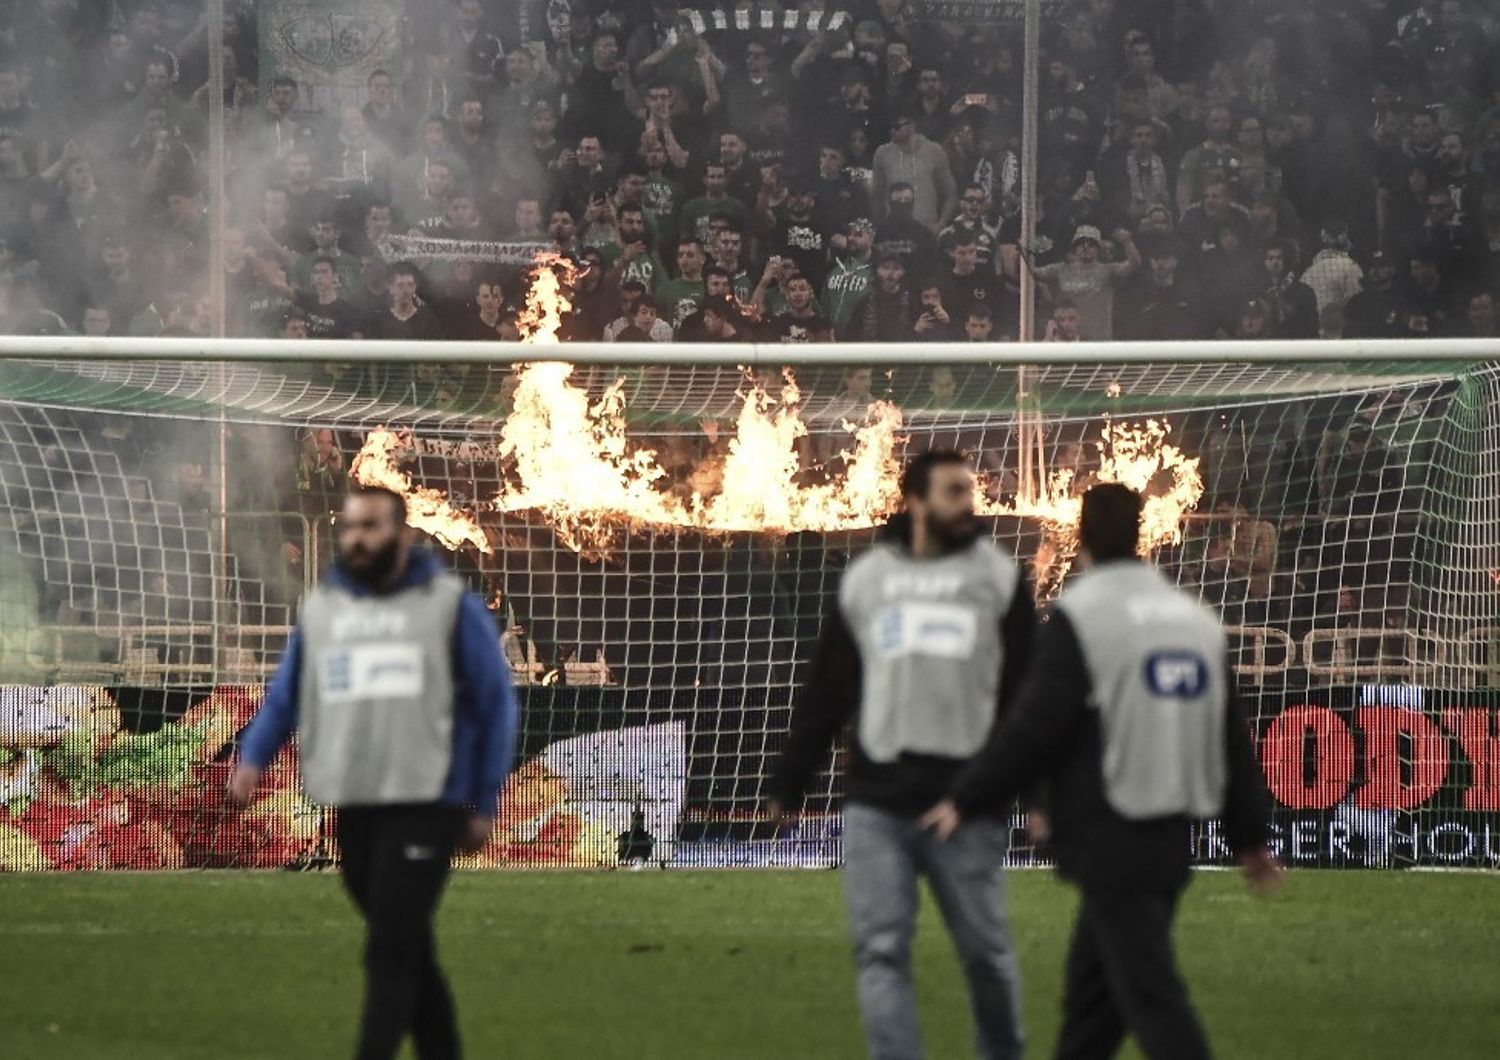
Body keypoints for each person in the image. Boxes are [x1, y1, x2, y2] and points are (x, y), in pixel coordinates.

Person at [921, 483, 1281, 1060]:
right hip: (1169, 836)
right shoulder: (1194, 619)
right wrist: (1250, 836)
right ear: (1141, 533)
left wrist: (967, 796)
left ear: (1081, 536)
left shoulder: (1084, 616)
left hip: (1111, 831)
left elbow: (1035, 724)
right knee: (1093, 1006)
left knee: (1152, 996)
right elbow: (1231, 737)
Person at [229, 485, 518, 1060]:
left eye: (372, 527)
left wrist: (484, 801)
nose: (358, 538)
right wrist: (253, 757)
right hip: (356, 804)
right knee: (409, 947)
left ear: (403, 535)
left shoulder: (448, 607)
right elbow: (285, 695)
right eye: (351, 528)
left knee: (387, 949)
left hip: (427, 804)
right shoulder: (327, 610)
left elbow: (496, 704)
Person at [768, 449, 1035, 1060]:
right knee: (880, 950)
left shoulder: (999, 578)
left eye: (970, 492)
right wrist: (789, 782)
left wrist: (1038, 796)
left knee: (986, 956)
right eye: (953, 492)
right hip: (877, 803)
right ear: (915, 501)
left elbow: (1030, 698)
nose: (967, 503)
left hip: (965, 804)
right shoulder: (869, 579)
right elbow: (830, 687)